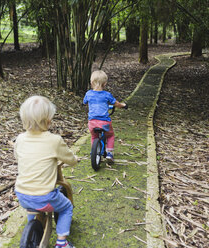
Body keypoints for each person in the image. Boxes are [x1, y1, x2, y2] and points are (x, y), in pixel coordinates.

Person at [14, 95, 78, 248]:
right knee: (67, 207)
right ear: (49, 121)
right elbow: (70, 159)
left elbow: (18, 157)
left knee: (32, 205)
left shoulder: (20, 139)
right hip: (45, 197)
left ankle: (34, 223)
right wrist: (75, 159)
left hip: (22, 195)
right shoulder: (54, 140)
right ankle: (62, 243)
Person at [83, 70, 127, 164]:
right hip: (104, 122)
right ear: (105, 83)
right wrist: (123, 105)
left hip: (92, 122)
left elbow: (84, 102)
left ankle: (93, 152)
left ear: (91, 83)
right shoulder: (107, 95)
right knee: (110, 135)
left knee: (94, 137)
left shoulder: (88, 94)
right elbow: (117, 104)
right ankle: (109, 153)